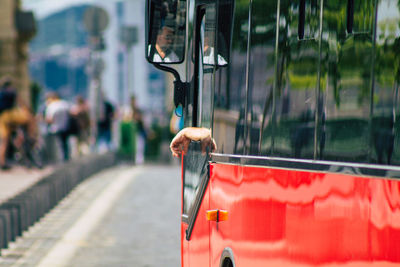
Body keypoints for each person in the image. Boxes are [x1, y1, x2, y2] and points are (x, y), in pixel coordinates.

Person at [0, 76, 35, 169]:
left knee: (4, 141)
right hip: (10, 115)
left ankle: (2, 162)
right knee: (30, 118)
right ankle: (30, 137)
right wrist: (28, 109)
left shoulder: (1, 93)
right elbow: (21, 103)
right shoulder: (11, 92)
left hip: (2, 118)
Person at [45, 92, 70, 161]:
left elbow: (49, 119)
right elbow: (70, 114)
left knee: (57, 145)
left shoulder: (51, 106)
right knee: (65, 144)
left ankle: (57, 159)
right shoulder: (65, 104)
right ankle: (66, 158)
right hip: (65, 127)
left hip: (55, 128)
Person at [131, 96, 147, 164]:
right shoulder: (131, 110)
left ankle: (139, 159)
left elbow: (142, 120)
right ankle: (137, 159)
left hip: (140, 130)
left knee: (140, 146)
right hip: (134, 131)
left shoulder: (137, 110)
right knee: (137, 146)